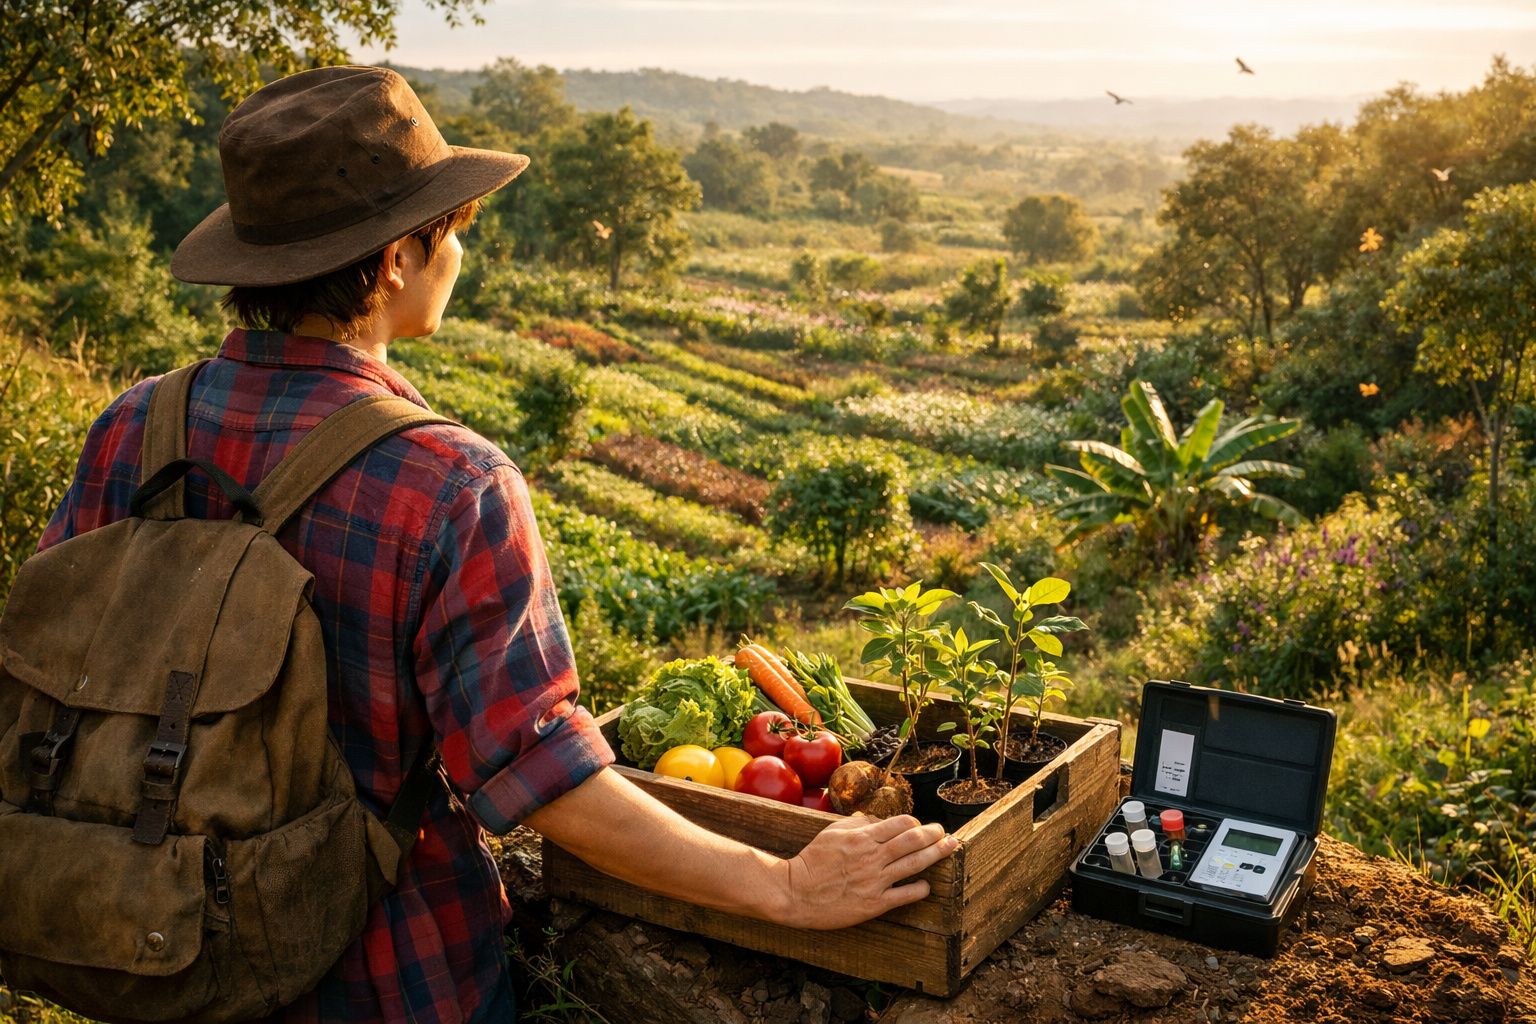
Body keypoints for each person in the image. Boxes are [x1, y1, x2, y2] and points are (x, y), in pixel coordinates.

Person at [39, 65, 958, 1023]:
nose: (459, 257)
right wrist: (786, 888)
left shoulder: (138, 423)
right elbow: (543, 779)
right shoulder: (450, 483)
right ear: (398, 258)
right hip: (382, 978)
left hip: (155, 944)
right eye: (453, 234)